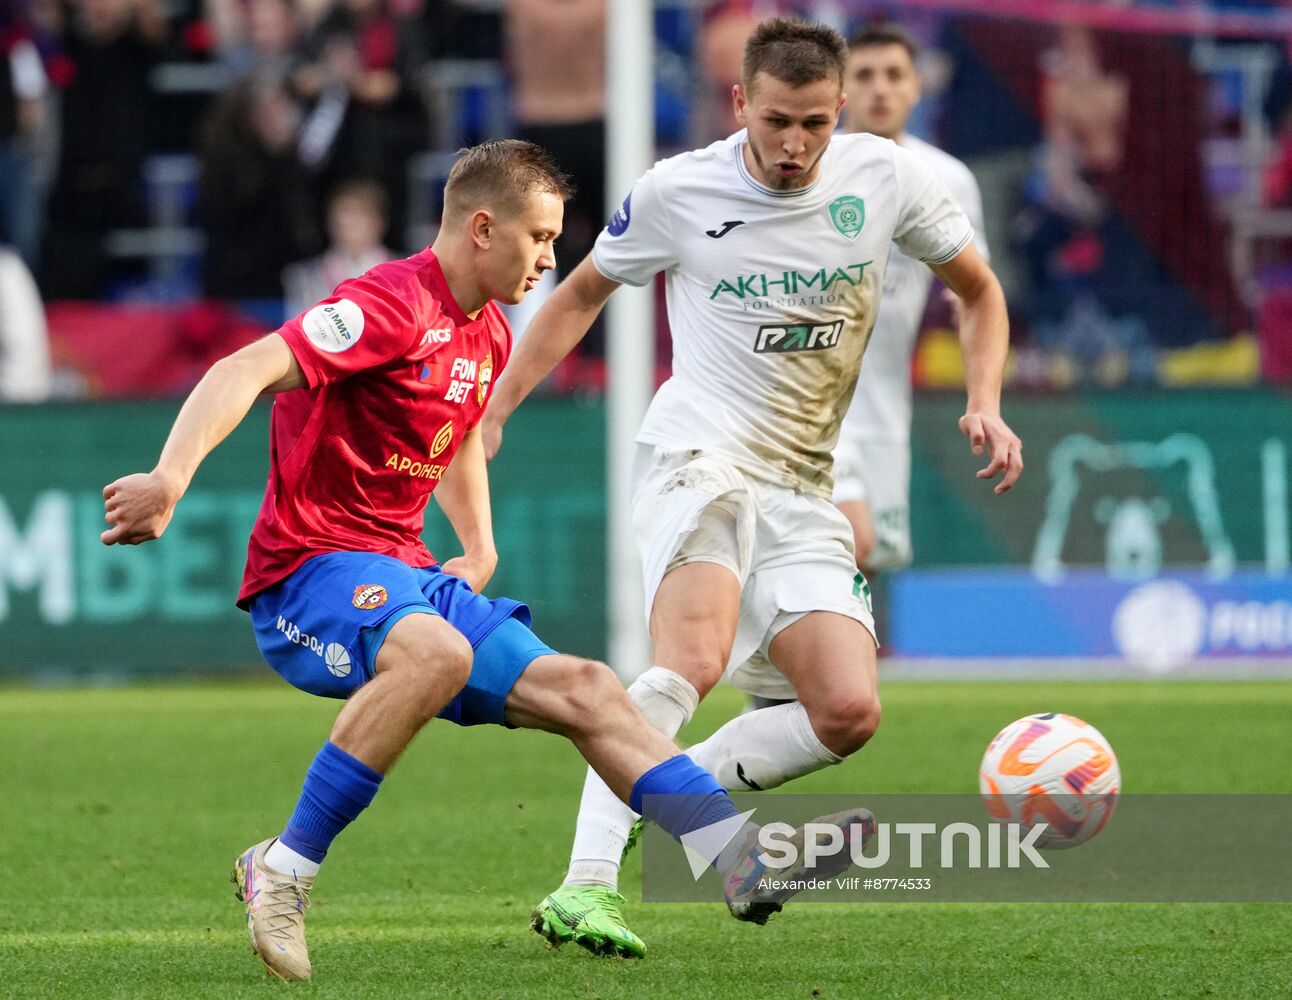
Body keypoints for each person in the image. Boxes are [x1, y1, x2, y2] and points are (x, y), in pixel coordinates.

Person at [100, 139, 866, 981]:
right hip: (307, 570)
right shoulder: (386, 304)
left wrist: (479, 543)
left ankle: (736, 858)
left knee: (588, 689)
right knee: (439, 651)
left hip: (401, 570)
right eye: (539, 238)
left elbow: (455, 434)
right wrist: (169, 479)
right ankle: (281, 872)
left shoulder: (490, 332)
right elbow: (243, 367)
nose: (550, 258)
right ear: (481, 227)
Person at [483, 18, 1021, 958]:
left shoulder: (886, 180)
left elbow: (978, 290)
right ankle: (587, 884)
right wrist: (495, 411)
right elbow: (574, 298)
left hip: (803, 483)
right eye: (776, 121)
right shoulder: (679, 190)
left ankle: (674, 796)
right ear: (740, 104)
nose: (794, 144)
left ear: (841, 110)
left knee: (848, 713)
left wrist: (986, 400)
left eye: (814, 123)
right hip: (700, 460)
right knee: (689, 660)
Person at [832, 23, 991, 573]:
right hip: (809, 402)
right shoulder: (807, 169)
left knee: (871, 558)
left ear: (917, 87)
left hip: (883, 406)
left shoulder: (948, 179)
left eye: (894, 75)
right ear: (841, 89)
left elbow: (974, 298)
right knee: (850, 543)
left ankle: (807, 661)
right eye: (866, 75)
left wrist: (983, 400)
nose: (881, 89)